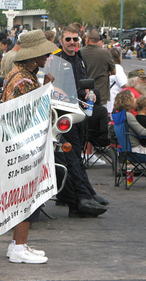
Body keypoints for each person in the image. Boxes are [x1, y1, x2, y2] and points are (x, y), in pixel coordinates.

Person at [2, 29, 57, 264]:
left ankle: (18, 243)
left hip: (17, 145)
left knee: (24, 197)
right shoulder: (25, 80)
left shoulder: (20, 73)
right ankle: (19, 246)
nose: (47, 58)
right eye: (44, 54)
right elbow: (32, 113)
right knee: (26, 197)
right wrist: (46, 88)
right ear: (34, 58)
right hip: (23, 147)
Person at [54, 24, 108, 218]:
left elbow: (84, 82)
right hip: (63, 113)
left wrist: (89, 93)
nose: (71, 42)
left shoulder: (80, 58)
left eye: (75, 39)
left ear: (81, 40)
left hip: (79, 110)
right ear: (61, 41)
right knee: (71, 156)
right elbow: (49, 84)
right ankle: (83, 196)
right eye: (68, 39)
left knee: (76, 155)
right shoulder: (56, 59)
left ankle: (87, 193)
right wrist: (58, 92)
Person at [80, 27, 116, 105]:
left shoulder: (80, 52)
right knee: (101, 115)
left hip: (84, 94)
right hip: (101, 94)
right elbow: (113, 71)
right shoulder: (105, 53)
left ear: (87, 39)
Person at [106, 47, 128, 114]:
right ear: (119, 57)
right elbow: (125, 85)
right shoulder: (117, 68)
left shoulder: (107, 67)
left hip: (107, 102)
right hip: (114, 103)